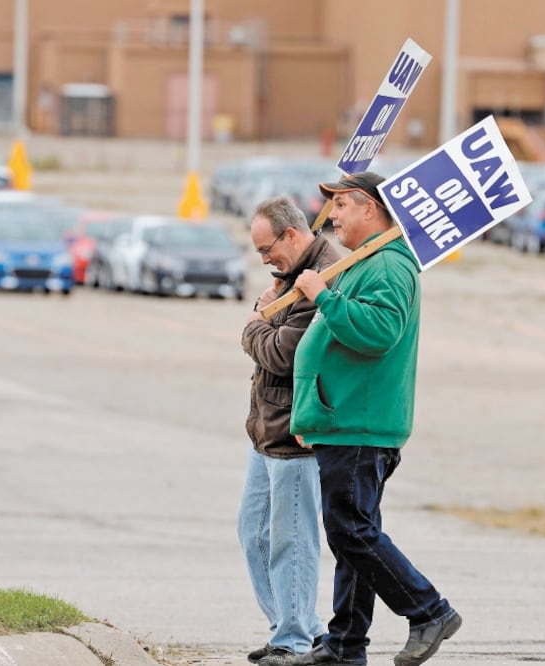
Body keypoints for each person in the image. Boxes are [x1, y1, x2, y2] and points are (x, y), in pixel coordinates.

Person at [285, 173, 462, 666]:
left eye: (340, 205)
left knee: (350, 531)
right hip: (343, 421)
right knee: (353, 535)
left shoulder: (388, 265)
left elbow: (379, 331)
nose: (332, 216)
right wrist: (310, 413)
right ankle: (345, 644)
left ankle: (429, 611)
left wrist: (323, 295)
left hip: (360, 423)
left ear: (370, 207)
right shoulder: (366, 263)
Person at [239, 195, 341, 666]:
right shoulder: (289, 276)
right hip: (266, 430)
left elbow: (285, 352)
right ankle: (298, 628)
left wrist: (254, 324)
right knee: (254, 533)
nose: (264, 260)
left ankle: (294, 640)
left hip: (295, 432)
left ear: (292, 235)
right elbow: (272, 341)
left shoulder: (327, 276)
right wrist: (263, 322)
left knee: (293, 541)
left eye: (267, 250)